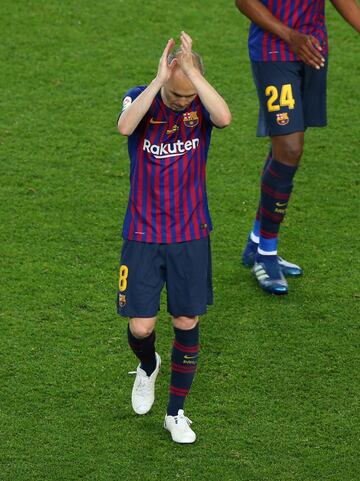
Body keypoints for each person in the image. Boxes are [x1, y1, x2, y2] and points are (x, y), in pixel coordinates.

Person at [116, 31, 231, 443]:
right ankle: (147, 366)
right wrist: (159, 80)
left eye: (188, 97)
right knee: (142, 328)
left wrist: (193, 76)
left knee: (186, 319)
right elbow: (125, 125)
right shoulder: (141, 97)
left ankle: (175, 412)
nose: (183, 103)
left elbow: (225, 117)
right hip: (143, 234)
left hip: (189, 234)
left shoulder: (200, 106)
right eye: (176, 95)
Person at [235, 0, 360, 295]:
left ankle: (256, 242)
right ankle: (266, 253)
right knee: (290, 147)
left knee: (285, 146)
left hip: (313, 50)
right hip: (274, 51)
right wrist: (290, 35)